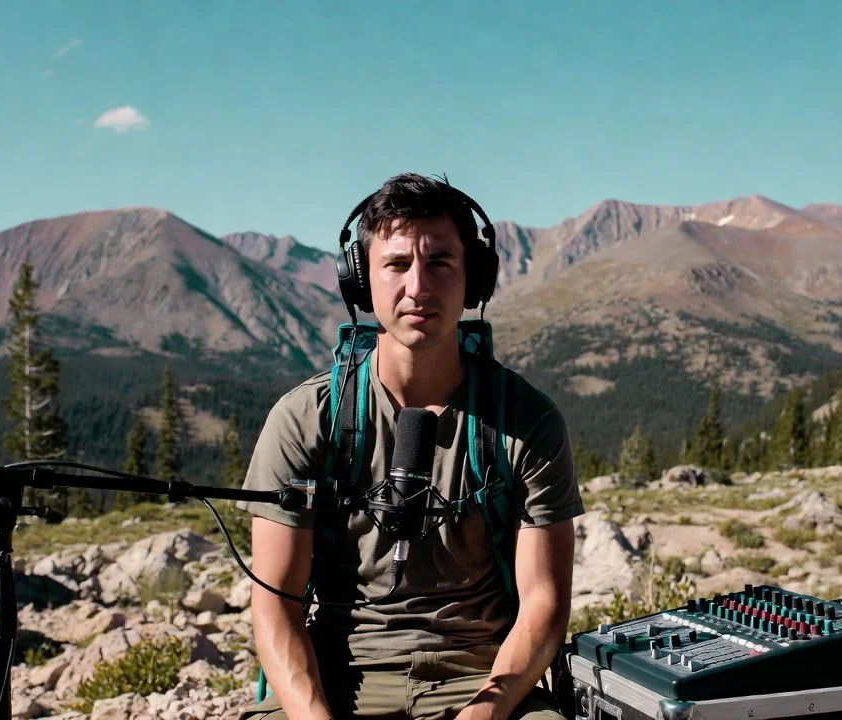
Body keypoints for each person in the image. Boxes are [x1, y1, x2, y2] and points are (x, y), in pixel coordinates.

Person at [237, 173, 584, 720]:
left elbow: (545, 602)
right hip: (338, 680)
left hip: (480, 681)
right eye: (397, 264)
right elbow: (275, 601)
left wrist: (482, 715)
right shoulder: (306, 418)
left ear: (475, 281)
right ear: (361, 281)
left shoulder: (527, 420)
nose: (418, 286)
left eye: (441, 263)